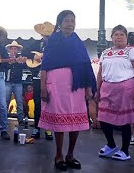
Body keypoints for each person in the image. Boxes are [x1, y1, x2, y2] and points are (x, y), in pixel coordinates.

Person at [39, 10, 95, 171]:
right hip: (56, 83)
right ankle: (58, 155)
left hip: (76, 85)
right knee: (60, 120)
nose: (70, 24)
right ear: (60, 23)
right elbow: (45, 65)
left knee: (75, 120)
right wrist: (43, 87)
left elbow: (85, 65)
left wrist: (88, 89)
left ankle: (70, 154)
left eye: (73, 21)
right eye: (67, 21)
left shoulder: (77, 41)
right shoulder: (53, 41)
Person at [96, 25, 134, 161]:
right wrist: (98, 90)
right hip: (107, 88)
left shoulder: (132, 51)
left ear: (126, 37)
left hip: (125, 89)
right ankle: (111, 144)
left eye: (122, 35)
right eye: (116, 34)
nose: (119, 37)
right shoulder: (105, 53)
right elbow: (100, 73)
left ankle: (125, 150)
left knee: (124, 121)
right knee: (104, 118)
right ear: (111, 38)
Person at [23, 21, 54, 140]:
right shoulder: (36, 44)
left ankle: (48, 129)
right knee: (37, 103)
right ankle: (37, 127)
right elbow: (25, 52)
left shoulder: (56, 45)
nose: (46, 37)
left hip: (51, 77)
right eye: (45, 35)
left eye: (48, 36)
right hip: (37, 76)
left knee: (50, 104)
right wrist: (34, 56)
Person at [5, 40, 27, 126]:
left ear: (17, 50)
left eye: (15, 49)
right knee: (5, 101)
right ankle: (4, 118)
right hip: (8, 82)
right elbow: (4, 67)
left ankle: (20, 119)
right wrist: (11, 61)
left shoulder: (20, 58)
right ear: (9, 50)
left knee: (19, 101)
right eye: (12, 48)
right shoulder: (6, 58)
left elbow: (25, 65)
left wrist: (21, 61)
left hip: (17, 82)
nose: (13, 50)